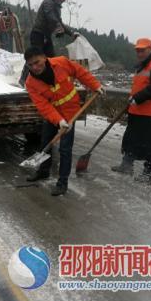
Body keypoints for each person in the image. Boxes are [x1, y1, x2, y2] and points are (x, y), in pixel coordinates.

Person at [24, 47, 104, 196]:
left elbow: (80, 72)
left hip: (70, 111)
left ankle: (62, 182)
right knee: (45, 143)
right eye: (30, 65)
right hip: (53, 115)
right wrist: (58, 120)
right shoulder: (30, 83)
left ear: (44, 57)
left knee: (65, 149)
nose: (35, 67)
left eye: (37, 62)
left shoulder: (61, 63)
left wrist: (95, 85)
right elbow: (43, 105)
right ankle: (43, 171)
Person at [111, 38, 151, 183]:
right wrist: (134, 99)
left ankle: (150, 173)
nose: (139, 53)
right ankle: (126, 165)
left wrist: (138, 97)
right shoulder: (141, 66)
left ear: (150, 49)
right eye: (138, 50)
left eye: (142, 50)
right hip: (137, 111)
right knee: (131, 139)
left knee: (150, 144)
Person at [20, 0, 77, 85]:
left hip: (46, 36)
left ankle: (49, 81)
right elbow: (50, 15)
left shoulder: (57, 7)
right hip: (38, 34)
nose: (65, 0)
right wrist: (58, 25)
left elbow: (59, 21)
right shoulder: (49, 2)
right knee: (34, 57)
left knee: (51, 58)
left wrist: (71, 33)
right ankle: (23, 80)